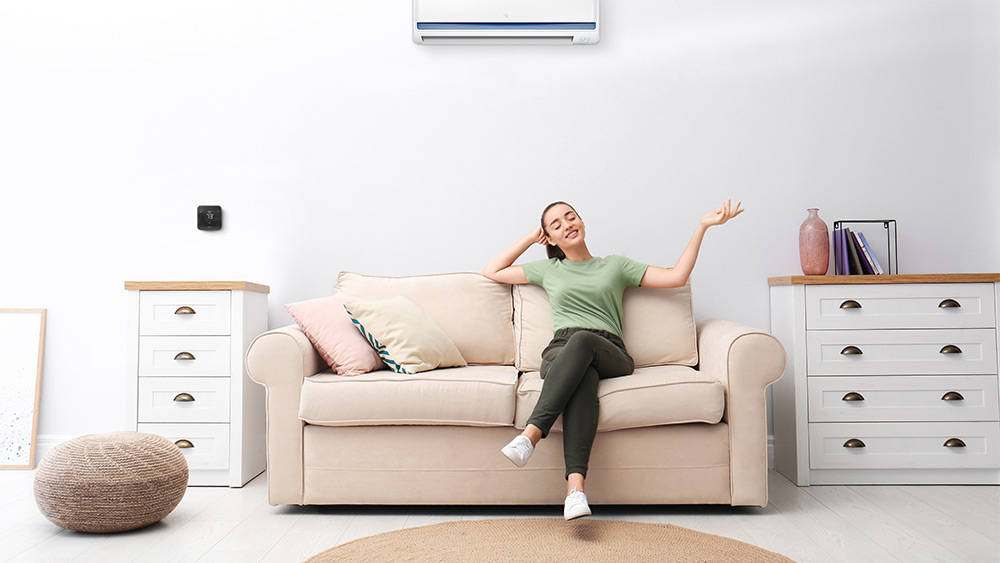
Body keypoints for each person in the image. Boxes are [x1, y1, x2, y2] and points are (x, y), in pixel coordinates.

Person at [481, 199, 744, 520]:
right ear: (548, 237)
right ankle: (575, 492)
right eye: (556, 225)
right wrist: (529, 238)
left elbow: (676, 276)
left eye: (571, 217)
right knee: (583, 380)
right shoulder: (549, 269)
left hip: (610, 351)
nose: (567, 225)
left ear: (582, 221)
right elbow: (492, 271)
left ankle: (530, 435)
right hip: (559, 354)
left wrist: (702, 226)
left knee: (583, 342)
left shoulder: (614, 265)